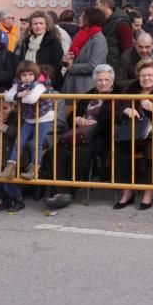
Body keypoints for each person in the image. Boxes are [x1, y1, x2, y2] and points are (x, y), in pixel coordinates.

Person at [48, 64, 118, 207]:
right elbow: (72, 117)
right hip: (81, 133)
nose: (103, 83)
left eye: (106, 80)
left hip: (103, 136)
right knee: (57, 149)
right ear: (95, 81)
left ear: (112, 81)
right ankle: (58, 191)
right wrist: (77, 119)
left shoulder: (119, 94)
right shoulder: (88, 95)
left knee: (81, 151)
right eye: (99, 80)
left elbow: (115, 118)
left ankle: (69, 191)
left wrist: (96, 122)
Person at [113, 60, 153, 211]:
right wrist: (125, 111)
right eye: (143, 75)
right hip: (133, 133)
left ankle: (149, 192)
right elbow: (115, 107)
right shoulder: (130, 90)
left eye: (150, 75)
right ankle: (127, 191)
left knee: (152, 152)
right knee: (119, 149)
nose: (146, 78)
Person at [0, 61, 54, 181]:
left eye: (30, 75)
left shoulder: (40, 84)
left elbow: (31, 99)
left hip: (44, 117)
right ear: (19, 76)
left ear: (35, 75)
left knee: (37, 143)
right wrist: (20, 94)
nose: (27, 78)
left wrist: (18, 96)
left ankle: (34, 169)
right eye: (24, 75)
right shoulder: (18, 85)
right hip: (29, 118)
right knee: (19, 141)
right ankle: (10, 168)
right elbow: (6, 96)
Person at [62, 8, 108, 94]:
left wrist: (71, 67)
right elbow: (73, 58)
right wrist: (66, 61)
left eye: (83, 16)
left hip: (85, 88)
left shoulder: (99, 39)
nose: (79, 18)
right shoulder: (80, 35)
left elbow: (94, 65)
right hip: (71, 84)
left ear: (90, 19)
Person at [14, 10, 65, 89]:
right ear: (31, 26)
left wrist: (41, 76)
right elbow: (21, 63)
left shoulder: (53, 42)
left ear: (46, 26)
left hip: (49, 84)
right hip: (27, 84)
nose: (38, 26)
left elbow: (57, 65)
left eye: (41, 23)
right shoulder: (25, 42)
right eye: (35, 24)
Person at [95, 0, 134, 82]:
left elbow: (127, 50)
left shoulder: (122, 24)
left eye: (97, 5)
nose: (95, 8)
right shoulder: (102, 22)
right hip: (103, 68)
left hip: (115, 70)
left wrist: (121, 71)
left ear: (105, 6)